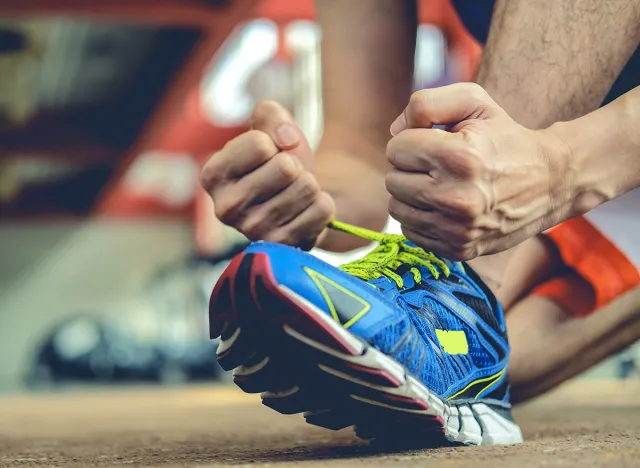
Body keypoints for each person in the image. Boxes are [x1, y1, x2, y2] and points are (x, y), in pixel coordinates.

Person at [201, 0, 640, 445]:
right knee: (494, 364)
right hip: (576, 137)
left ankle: (465, 297)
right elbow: (359, 152)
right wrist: (302, 193)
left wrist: (559, 168)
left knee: (462, 321)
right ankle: (467, 309)